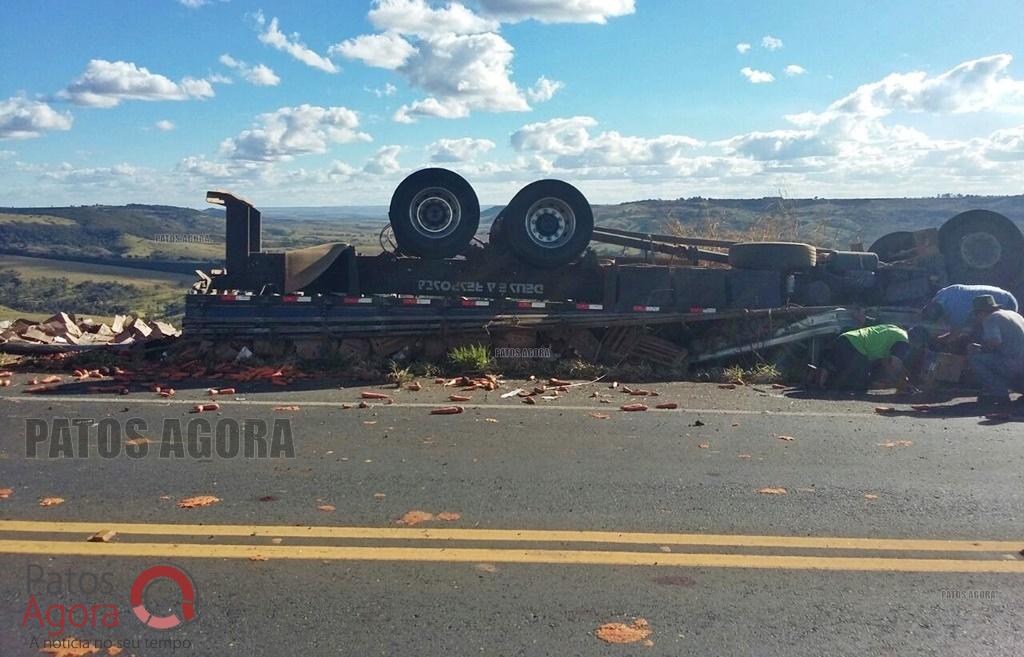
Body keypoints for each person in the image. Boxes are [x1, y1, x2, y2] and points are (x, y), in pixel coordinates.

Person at [966, 294, 1024, 406]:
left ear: (981, 312)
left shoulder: (991, 318)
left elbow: (994, 342)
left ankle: (999, 394)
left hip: (1015, 364)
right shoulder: (1014, 314)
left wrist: (978, 348)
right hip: (1019, 362)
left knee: (975, 359)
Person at [818, 323, 912, 390]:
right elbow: (895, 363)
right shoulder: (903, 339)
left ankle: (821, 377)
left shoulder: (893, 329)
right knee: (859, 385)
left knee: (845, 372)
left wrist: (894, 380)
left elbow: (886, 363)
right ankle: (826, 383)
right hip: (857, 346)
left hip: (846, 339)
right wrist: (902, 382)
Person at [922, 284, 1019, 332]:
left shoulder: (957, 312)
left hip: (1005, 303)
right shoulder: (940, 295)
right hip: (1005, 294)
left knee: (993, 335)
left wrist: (938, 340)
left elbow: (955, 334)